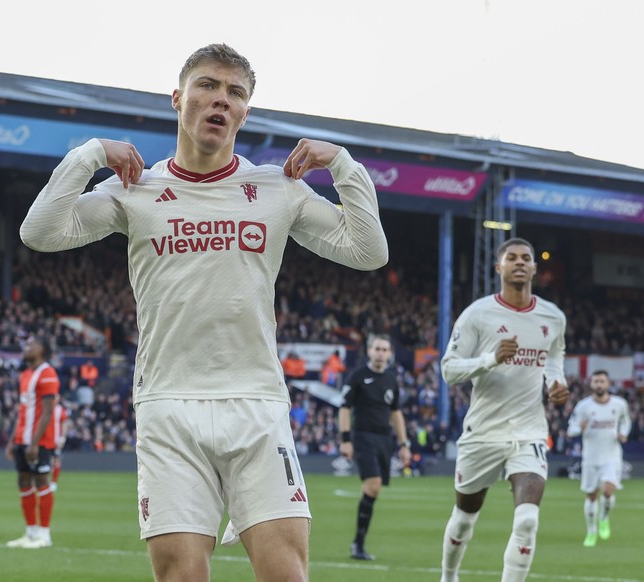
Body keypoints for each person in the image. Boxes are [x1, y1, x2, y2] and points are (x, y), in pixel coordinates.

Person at [20, 43, 388, 582]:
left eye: (235, 93)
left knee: (287, 575)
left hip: (256, 403)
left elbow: (368, 251)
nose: (221, 100)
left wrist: (344, 165)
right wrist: (91, 153)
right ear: (178, 98)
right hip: (168, 405)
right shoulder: (135, 190)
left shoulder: (276, 188)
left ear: (245, 112)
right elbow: (40, 232)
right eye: (208, 86)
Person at [438, 237, 569, 582]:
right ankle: (448, 576)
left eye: (526, 258)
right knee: (465, 518)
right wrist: (491, 359)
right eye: (511, 258)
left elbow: (554, 359)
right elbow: (449, 370)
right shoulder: (478, 315)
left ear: (535, 268)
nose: (520, 263)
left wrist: (555, 384)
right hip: (482, 433)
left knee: (527, 520)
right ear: (499, 267)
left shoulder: (552, 317)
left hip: (529, 431)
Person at [338, 333, 411, 560]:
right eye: (377, 348)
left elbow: (396, 413)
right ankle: (358, 545)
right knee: (374, 485)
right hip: (363, 437)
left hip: (384, 440)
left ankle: (358, 544)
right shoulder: (358, 376)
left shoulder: (391, 380)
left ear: (390, 354)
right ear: (369, 351)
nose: (380, 353)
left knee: (373, 490)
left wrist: (403, 444)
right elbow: (344, 407)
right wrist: (346, 439)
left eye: (384, 349)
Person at [5, 336, 60, 549]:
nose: (27, 347)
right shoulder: (25, 375)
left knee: (41, 481)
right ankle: (30, 533)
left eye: (32, 344)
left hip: (41, 441)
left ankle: (44, 535)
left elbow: (47, 413)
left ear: (42, 350)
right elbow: (22, 411)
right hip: (22, 439)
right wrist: (12, 441)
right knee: (23, 481)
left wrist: (35, 443)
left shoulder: (47, 374)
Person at [566, 369, 631, 547]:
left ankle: (604, 518)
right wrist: (580, 428)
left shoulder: (619, 404)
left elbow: (626, 421)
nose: (599, 384)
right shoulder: (583, 406)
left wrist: (623, 433)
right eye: (596, 381)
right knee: (592, 496)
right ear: (591, 384)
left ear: (608, 384)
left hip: (612, 456)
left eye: (602, 381)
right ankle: (591, 532)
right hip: (590, 458)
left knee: (608, 491)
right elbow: (571, 430)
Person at [50, 398, 71, 492]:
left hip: (55, 440)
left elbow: (65, 424)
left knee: (56, 460)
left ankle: (54, 482)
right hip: (44, 439)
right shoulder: (43, 407)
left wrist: (62, 438)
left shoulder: (60, 409)